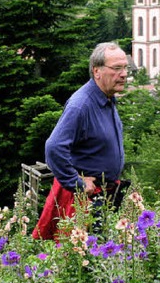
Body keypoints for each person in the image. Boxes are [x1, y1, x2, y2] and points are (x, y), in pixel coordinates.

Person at [33, 42, 128, 240]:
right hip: (86, 201)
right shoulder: (81, 105)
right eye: (117, 68)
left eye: (125, 67)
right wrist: (76, 182)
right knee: (83, 261)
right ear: (97, 71)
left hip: (106, 196)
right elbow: (54, 148)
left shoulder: (107, 98)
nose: (124, 74)